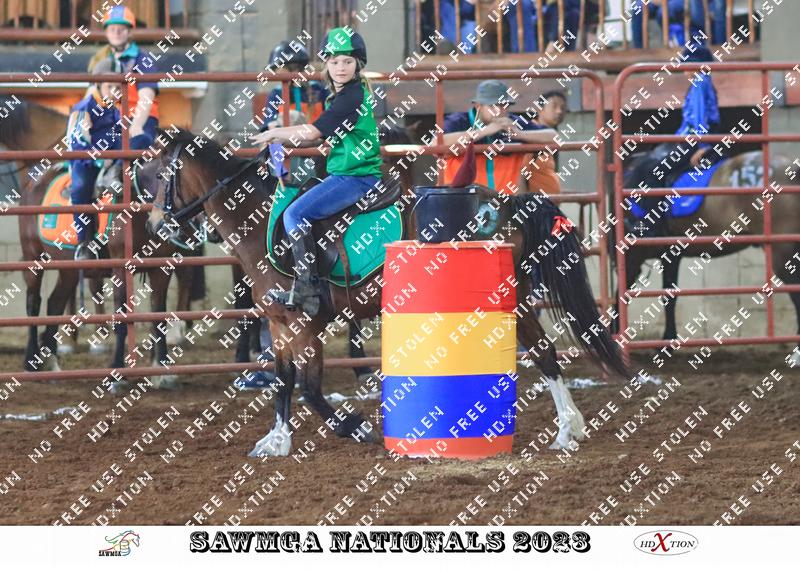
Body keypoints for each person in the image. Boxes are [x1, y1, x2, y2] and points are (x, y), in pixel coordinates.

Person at [250, 27, 383, 317]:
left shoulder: (350, 97)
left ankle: (306, 289)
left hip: (355, 177)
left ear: (357, 64)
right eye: (334, 62)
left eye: (347, 61)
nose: (341, 67)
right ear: (327, 65)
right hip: (347, 173)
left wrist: (275, 134)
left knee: (294, 215)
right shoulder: (343, 95)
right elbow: (317, 136)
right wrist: (281, 136)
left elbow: (313, 133)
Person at [632, 44, 722, 236]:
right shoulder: (703, 83)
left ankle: (655, 225)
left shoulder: (699, 84)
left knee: (654, 171)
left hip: (692, 143)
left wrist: (702, 146)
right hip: (690, 140)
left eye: (689, 66)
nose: (685, 71)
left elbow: (699, 121)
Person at [442, 79, 557, 194]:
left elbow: (554, 136)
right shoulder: (458, 121)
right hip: (463, 198)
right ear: (478, 106)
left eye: (504, 106)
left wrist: (519, 134)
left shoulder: (512, 123)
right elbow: (437, 142)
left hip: (505, 200)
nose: (499, 111)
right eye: (493, 106)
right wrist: (485, 131)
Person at [68, 58, 123, 260]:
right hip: (87, 162)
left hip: (113, 161)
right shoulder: (83, 108)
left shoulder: (116, 111)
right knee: (80, 188)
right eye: (110, 86)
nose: (115, 91)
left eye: (119, 87)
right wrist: (100, 160)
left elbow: (119, 140)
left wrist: (118, 159)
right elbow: (79, 142)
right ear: (98, 85)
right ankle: (83, 243)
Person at [88, 6, 159, 151]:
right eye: (112, 29)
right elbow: (91, 94)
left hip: (139, 118)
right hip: (110, 120)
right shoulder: (101, 59)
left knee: (139, 142)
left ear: (129, 32)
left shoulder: (142, 58)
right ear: (106, 32)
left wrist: (137, 125)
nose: (116, 33)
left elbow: (146, 97)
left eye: (121, 29)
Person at [260, 40, 329, 130]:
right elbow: (268, 125)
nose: (276, 74)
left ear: (295, 68)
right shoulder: (276, 93)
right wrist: (278, 125)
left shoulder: (318, 89)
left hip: (316, 136)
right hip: (286, 137)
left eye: (277, 69)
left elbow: (331, 119)